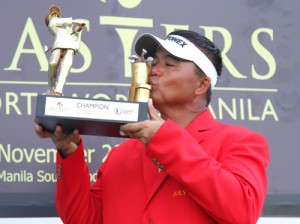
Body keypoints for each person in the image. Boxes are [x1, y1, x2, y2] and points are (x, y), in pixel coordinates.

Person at [35, 30, 270, 224]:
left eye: (169, 64)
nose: (153, 71)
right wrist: (69, 151)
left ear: (201, 85)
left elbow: (242, 212)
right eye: (153, 63)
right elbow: (83, 220)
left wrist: (165, 139)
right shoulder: (120, 155)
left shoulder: (239, 141)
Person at [44, 5, 85, 96]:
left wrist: (79, 33)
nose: (56, 17)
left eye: (57, 15)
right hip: (58, 45)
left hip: (70, 47)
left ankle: (59, 90)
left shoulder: (64, 31)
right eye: (53, 15)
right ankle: (51, 88)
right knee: (53, 64)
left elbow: (77, 45)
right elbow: (61, 21)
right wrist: (76, 22)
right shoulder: (52, 24)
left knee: (65, 69)